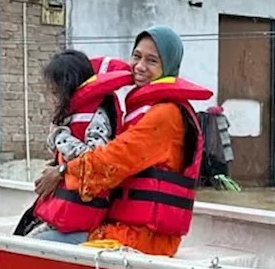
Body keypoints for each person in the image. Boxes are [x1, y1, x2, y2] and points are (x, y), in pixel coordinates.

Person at [33, 25, 211, 256]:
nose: (140, 66)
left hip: (145, 238)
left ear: (168, 66)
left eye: (152, 61)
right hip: (123, 227)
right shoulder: (145, 110)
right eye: (136, 56)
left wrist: (62, 172)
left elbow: (111, 162)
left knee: (39, 244)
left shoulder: (166, 115)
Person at [18, 50, 133, 242]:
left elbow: (96, 158)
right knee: (22, 235)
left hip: (82, 222)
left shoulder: (98, 114)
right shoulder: (75, 114)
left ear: (69, 87)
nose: (51, 100)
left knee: (31, 244)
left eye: (55, 93)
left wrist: (60, 140)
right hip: (65, 216)